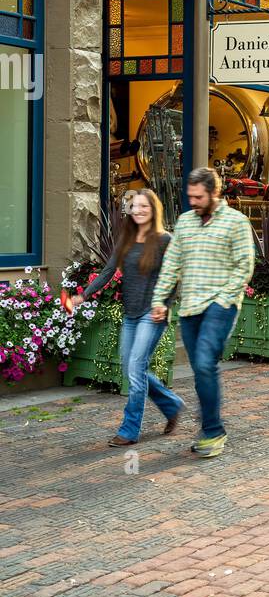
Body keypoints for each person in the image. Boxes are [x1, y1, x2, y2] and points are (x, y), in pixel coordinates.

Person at [151, 167, 255, 459]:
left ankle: (213, 430)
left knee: (206, 363)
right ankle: (211, 425)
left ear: (214, 193)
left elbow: (244, 265)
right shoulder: (184, 223)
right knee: (199, 369)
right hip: (190, 306)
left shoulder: (236, 222)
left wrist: (223, 300)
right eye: (190, 196)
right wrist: (160, 299)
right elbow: (172, 263)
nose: (193, 202)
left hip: (220, 306)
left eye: (198, 197)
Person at [71, 189, 184, 447]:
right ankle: (172, 404)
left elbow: (175, 277)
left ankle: (129, 430)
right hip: (131, 313)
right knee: (133, 368)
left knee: (135, 369)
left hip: (152, 314)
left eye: (144, 206)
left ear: (154, 210)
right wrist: (84, 295)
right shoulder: (126, 240)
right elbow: (108, 272)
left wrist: (165, 305)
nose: (139, 210)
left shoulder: (165, 240)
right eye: (135, 206)